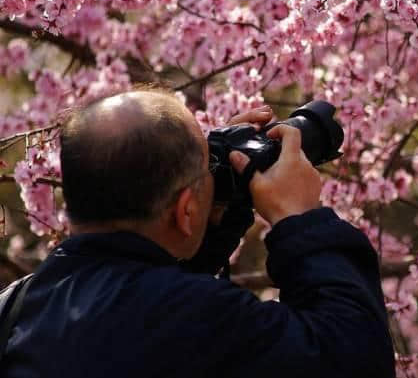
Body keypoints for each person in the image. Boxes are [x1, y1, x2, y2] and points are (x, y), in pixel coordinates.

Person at [2, 89, 395, 378]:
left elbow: (138, 301)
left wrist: (216, 226)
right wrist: (302, 217)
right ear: (186, 210)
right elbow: (353, 356)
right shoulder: (201, 318)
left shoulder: (14, 307)